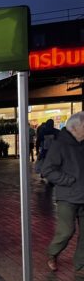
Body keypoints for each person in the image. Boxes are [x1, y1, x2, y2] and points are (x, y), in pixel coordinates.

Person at [41, 112, 84, 272]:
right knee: (66, 231)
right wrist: (69, 180)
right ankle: (52, 253)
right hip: (67, 196)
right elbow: (47, 170)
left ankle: (81, 264)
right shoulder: (60, 145)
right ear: (74, 128)